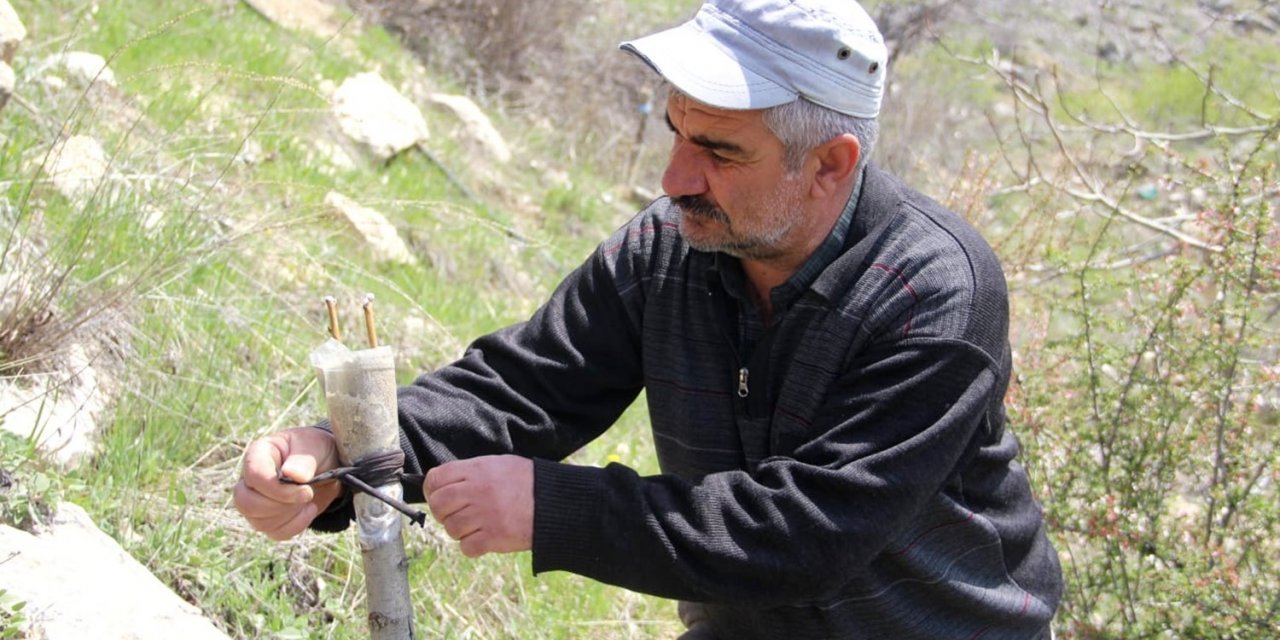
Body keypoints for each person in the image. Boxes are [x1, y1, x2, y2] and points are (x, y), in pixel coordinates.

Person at [235, 0, 1064, 637]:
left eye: (719, 150)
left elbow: (810, 533)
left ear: (829, 164)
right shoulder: (671, 249)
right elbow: (522, 391)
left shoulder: (934, 294)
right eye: (675, 131)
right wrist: (339, 460)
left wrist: (555, 510)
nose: (674, 177)